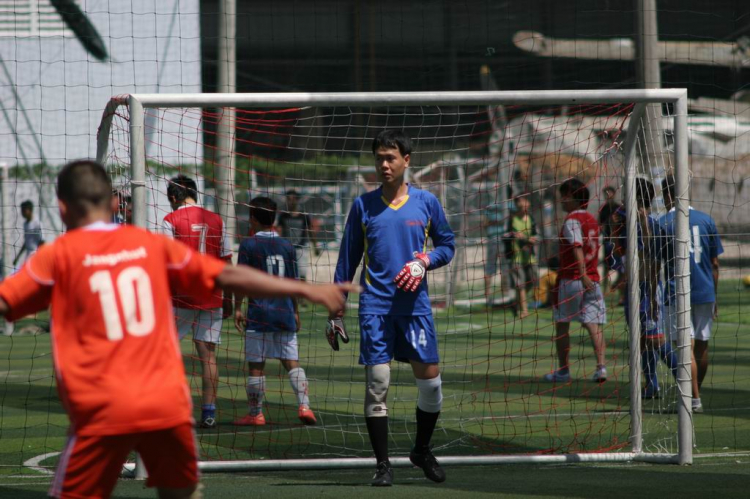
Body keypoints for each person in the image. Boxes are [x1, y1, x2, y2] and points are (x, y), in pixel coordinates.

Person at [0, 160, 354, 499]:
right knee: (179, 493)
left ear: (62, 208)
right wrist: (305, 289)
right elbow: (224, 273)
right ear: (112, 202)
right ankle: (211, 411)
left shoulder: (58, 256)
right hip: (164, 402)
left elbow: (6, 302)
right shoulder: (149, 246)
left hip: (103, 405)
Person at [331, 129, 455, 486]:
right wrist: (336, 308)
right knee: (378, 383)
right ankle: (383, 464)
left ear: (406, 161)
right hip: (375, 306)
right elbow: (348, 259)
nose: (384, 165)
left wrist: (424, 262)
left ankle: (421, 450)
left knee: (431, 386)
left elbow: (447, 245)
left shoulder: (427, 202)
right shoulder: (362, 205)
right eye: (379, 159)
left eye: (390, 158)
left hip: (415, 308)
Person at [233, 196, 317, 426]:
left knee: (256, 364)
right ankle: (305, 406)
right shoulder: (286, 245)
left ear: (252, 218)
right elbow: (293, 281)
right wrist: (296, 311)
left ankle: (256, 413)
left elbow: (241, 280)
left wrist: (237, 307)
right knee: (291, 361)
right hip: (284, 311)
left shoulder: (248, 244)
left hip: (259, 312)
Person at [161, 175, 233, 429]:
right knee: (208, 357)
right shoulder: (216, 220)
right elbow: (226, 261)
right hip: (212, 295)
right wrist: (229, 297)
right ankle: (209, 412)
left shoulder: (170, 220)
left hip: (180, 297)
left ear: (173, 197)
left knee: (167, 354)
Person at [609, 178, 678, 400]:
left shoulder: (649, 224)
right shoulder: (624, 219)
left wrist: (650, 293)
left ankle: (684, 379)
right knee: (641, 339)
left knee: (655, 340)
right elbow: (619, 247)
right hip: (633, 288)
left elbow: (652, 259)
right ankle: (651, 384)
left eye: (625, 192)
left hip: (646, 289)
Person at [659, 175, 723, 413]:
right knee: (701, 345)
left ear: (667, 195)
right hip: (706, 290)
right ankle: (696, 393)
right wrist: (714, 296)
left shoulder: (664, 222)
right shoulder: (706, 220)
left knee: (684, 348)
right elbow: (715, 263)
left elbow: (657, 264)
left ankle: (692, 399)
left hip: (678, 293)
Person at [543, 178, 607, 383]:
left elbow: (577, 246)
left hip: (573, 279)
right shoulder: (592, 219)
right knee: (593, 324)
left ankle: (563, 371)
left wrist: (581, 273)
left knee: (562, 324)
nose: (562, 200)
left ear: (573, 197)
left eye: (564, 195)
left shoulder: (572, 220)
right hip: (593, 280)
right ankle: (601, 368)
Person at [507, 195, 539, 318]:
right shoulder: (513, 219)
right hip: (516, 256)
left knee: (532, 280)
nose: (523, 204)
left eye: (525, 201)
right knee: (520, 284)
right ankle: (524, 310)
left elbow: (535, 234)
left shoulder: (531, 218)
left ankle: (515, 302)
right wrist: (527, 240)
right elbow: (517, 236)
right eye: (520, 202)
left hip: (530, 256)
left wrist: (533, 239)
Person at [277, 190, 319, 282]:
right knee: (287, 275)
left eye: (293, 199)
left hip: (301, 249)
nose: (290, 201)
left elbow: (310, 231)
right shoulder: (283, 216)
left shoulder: (304, 216)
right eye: (288, 199)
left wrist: (315, 246)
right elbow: (279, 231)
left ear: (297, 200)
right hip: (286, 249)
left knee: (302, 275)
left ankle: (302, 294)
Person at [598, 186, 623, 301]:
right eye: (605, 194)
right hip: (607, 241)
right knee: (606, 266)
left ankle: (619, 289)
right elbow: (600, 224)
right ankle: (605, 289)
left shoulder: (619, 208)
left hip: (618, 241)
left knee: (620, 267)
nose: (607, 196)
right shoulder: (603, 209)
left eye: (609, 193)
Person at [483, 194, 506, 306]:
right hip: (501, 239)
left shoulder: (490, 206)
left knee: (492, 267)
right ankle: (504, 294)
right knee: (503, 267)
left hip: (495, 238)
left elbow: (485, 224)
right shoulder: (507, 205)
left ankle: (488, 295)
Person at [13, 200, 44, 266]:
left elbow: (42, 242)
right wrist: (18, 257)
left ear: (30, 210)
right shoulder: (25, 224)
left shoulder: (37, 224)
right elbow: (26, 242)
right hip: (28, 256)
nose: (22, 213)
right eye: (21, 211)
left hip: (36, 256)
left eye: (24, 210)